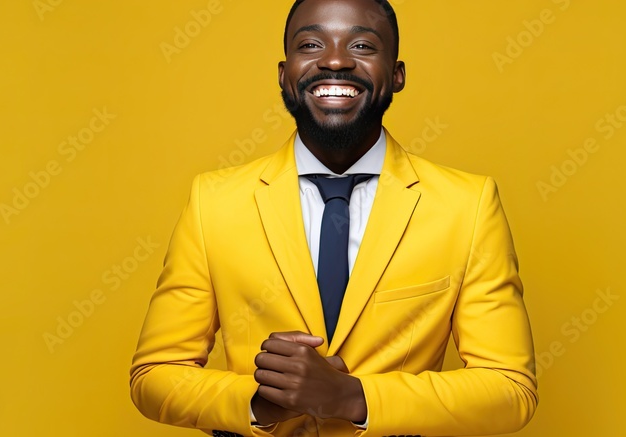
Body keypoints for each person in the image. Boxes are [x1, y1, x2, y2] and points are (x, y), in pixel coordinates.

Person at [129, 0, 538, 435]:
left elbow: (510, 389)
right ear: (284, 75)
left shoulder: (467, 205)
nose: (336, 60)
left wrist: (351, 397)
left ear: (397, 74)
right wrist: (257, 403)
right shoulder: (213, 201)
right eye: (311, 44)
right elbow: (154, 374)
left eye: (362, 44)